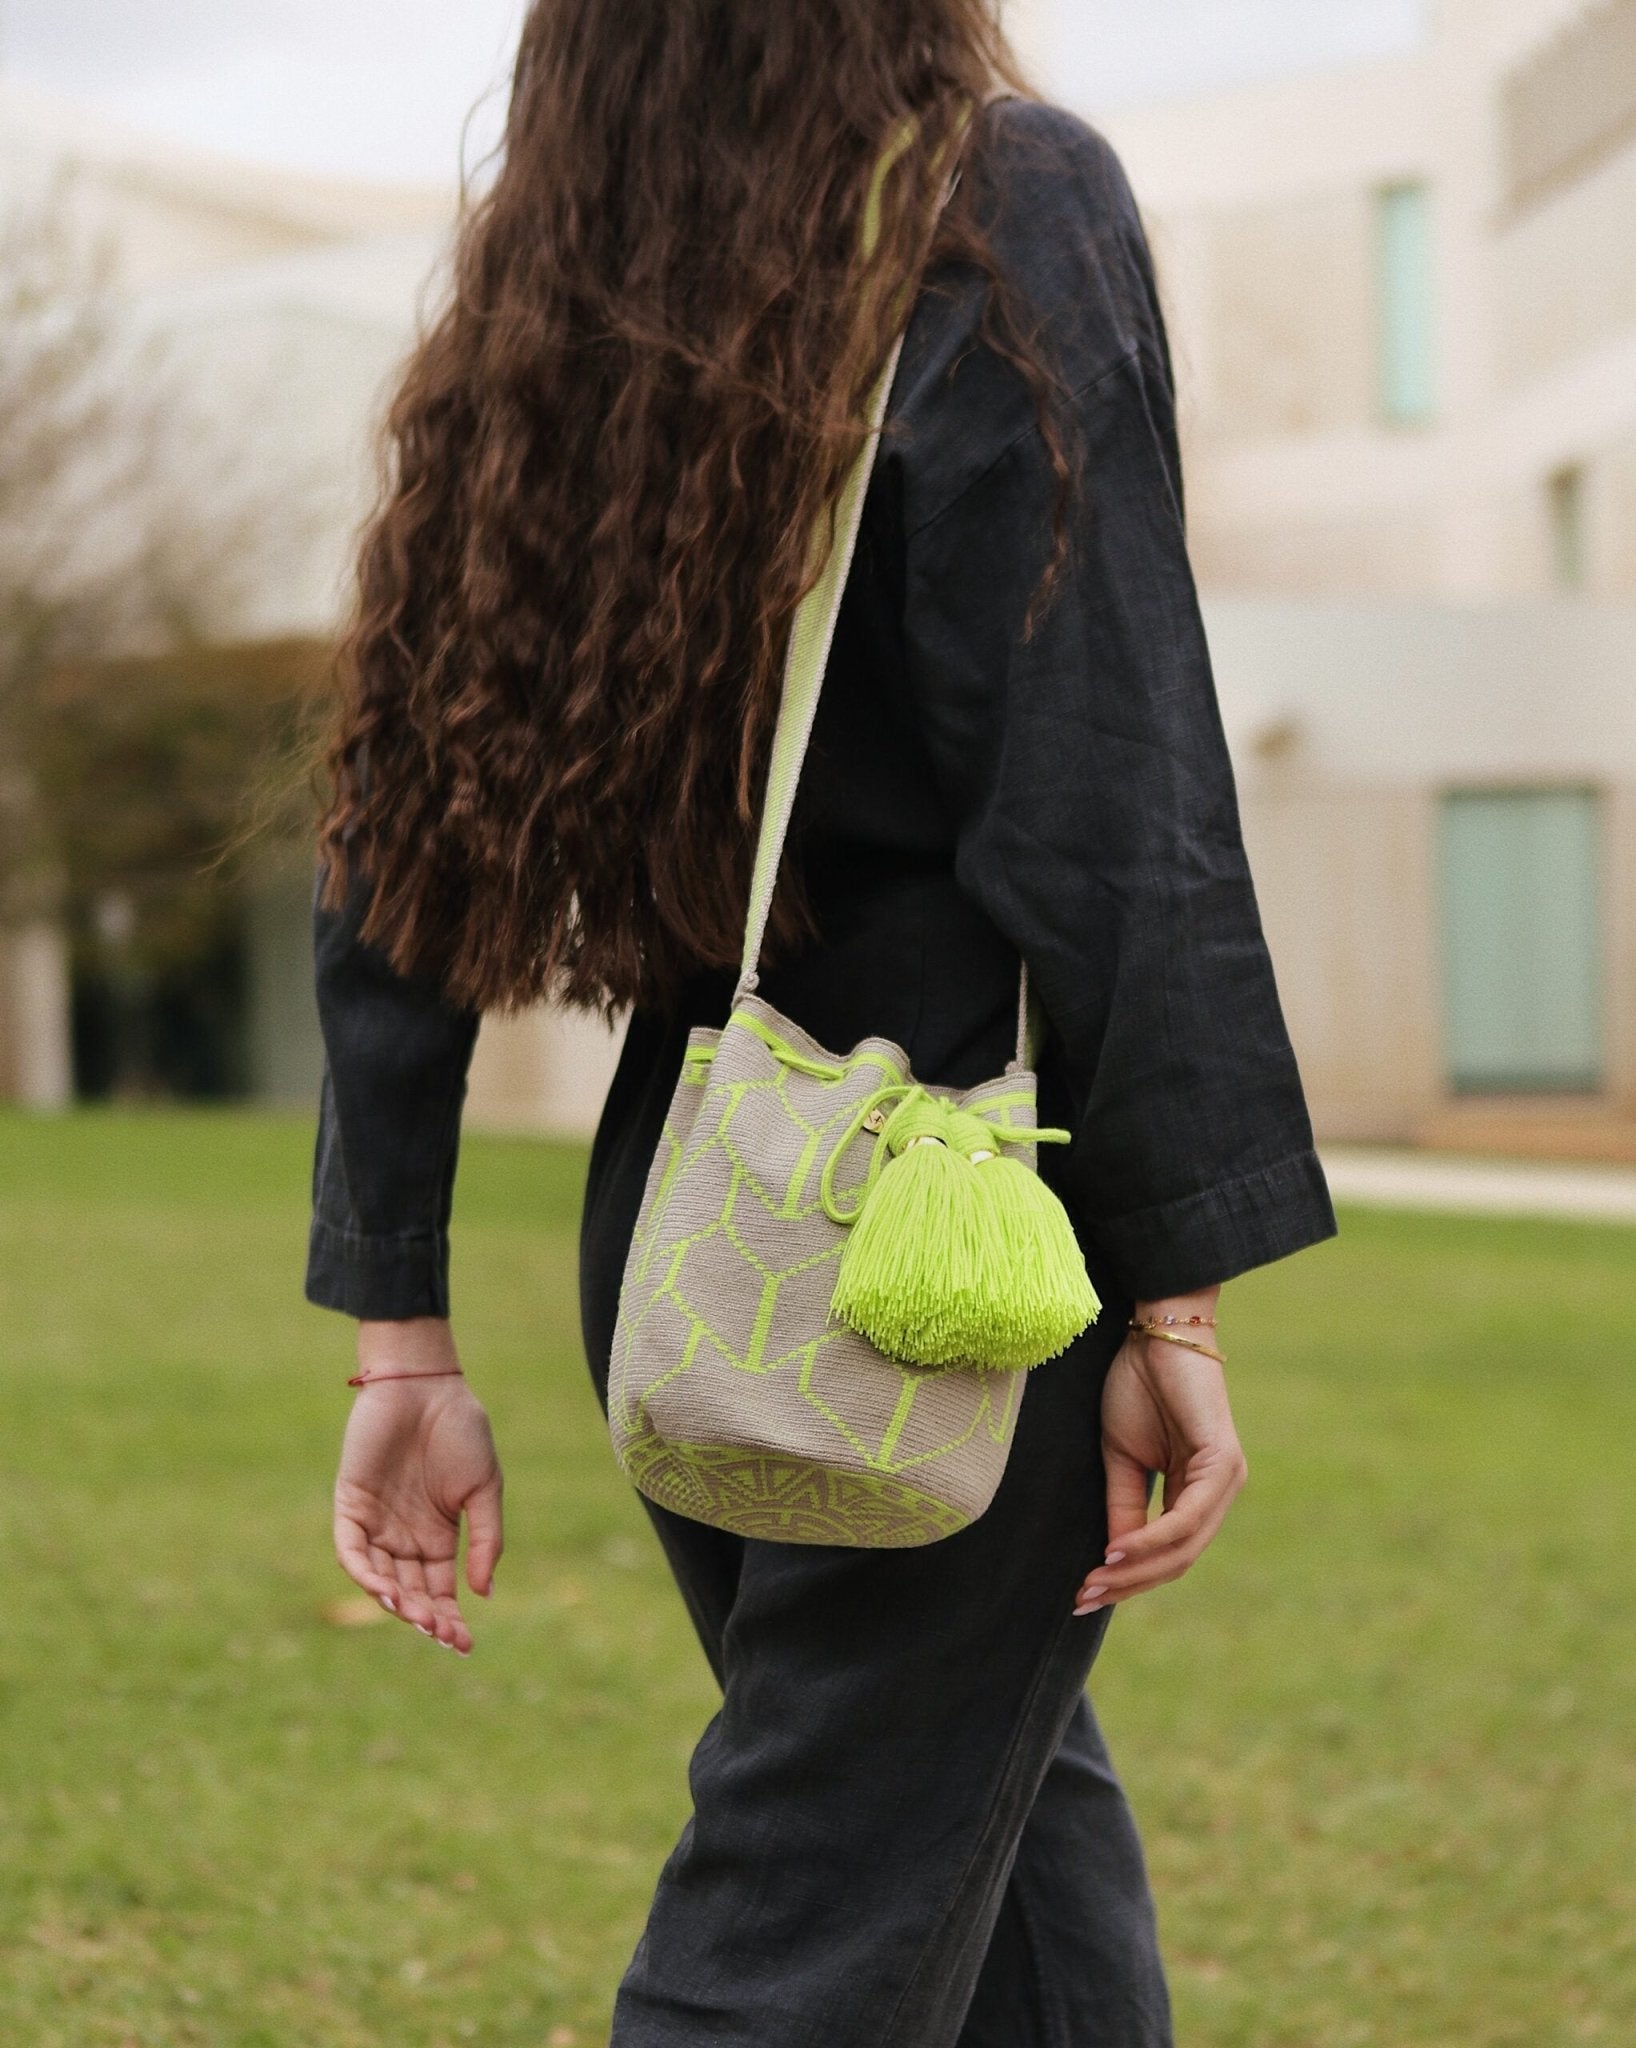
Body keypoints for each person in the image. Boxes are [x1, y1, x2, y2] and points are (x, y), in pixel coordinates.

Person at [305, 4, 1339, 2042]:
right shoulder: (994, 199)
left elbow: (397, 824)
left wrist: (400, 1329)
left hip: (699, 1220)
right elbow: (1107, 787)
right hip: (939, 1233)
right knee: (802, 1947)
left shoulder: (575, 265)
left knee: (1009, 1875)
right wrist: (1174, 1298)